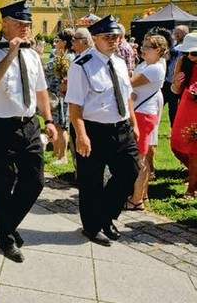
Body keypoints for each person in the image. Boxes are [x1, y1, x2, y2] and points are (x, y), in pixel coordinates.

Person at [0, 0, 57, 263]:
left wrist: (50, 120)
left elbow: (40, 90)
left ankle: (7, 225)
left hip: (29, 124)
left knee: (35, 181)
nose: (25, 28)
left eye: (28, 24)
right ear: (5, 24)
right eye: (20, 23)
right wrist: (10, 55)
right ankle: (7, 238)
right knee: (3, 184)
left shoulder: (32, 55)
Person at [65, 15, 140, 247]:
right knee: (91, 182)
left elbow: (125, 95)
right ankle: (92, 226)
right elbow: (75, 105)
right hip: (93, 130)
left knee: (130, 171)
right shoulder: (82, 66)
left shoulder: (118, 62)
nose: (113, 41)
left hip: (121, 127)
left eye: (116, 36)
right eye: (107, 37)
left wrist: (134, 123)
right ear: (94, 38)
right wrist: (82, 135)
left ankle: (106, 216)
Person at [125, 32, 168, 210]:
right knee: (142, 156)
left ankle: (136, 200)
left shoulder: (155, 68)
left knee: (140, 158)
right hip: (141, 111)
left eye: (147, 48)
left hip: (144, 114)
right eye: (142, 46)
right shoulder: (147, 64)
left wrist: (127, 84)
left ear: (158, 50)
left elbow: (130, 82)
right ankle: (142, 195)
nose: (142, 50)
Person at [170, 33, 197, 200]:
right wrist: (176, 84)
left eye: (193, 53)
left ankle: (192, 188)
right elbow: (175, 90)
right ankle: (193, 175)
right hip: (185, 108)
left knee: (194, 150)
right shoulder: (183, 62)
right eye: (186, 52)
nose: (189, 56)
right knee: (176, 144)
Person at [44, 29, 76, 164]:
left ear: (64, 42)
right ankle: (56, 152)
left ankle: (62, 156)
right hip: (55, 93)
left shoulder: (67, 58)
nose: (56, 43)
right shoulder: (60, 55)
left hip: (61, 95)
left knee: (62, 125)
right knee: (56, 124)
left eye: (58, 41)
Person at [163, 25, 189, 126]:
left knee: (181, 107)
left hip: (182, 82)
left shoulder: (188, 48)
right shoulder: (173, 45)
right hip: (169, 81)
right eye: (175, 32)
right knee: (170, 106)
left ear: (185, 34)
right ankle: (174, 128)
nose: (176, 34)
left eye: (179, 32)